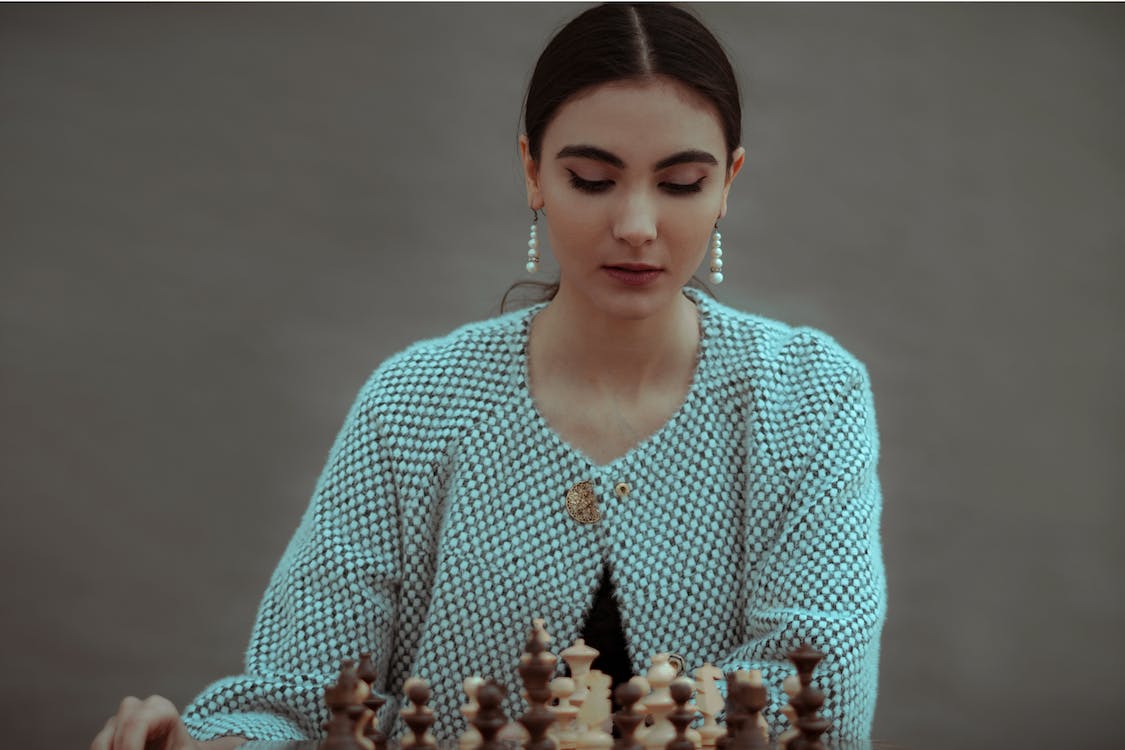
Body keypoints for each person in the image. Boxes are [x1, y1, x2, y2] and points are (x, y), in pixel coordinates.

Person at [90, 4, 886, 749]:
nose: (637, 225)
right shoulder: (415, 402)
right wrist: (199, 744)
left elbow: (825, 695)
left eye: (681, 184)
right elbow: (298, 699)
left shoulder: (807, 397)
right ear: (532, 172)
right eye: (591, 179)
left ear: (728, 185)